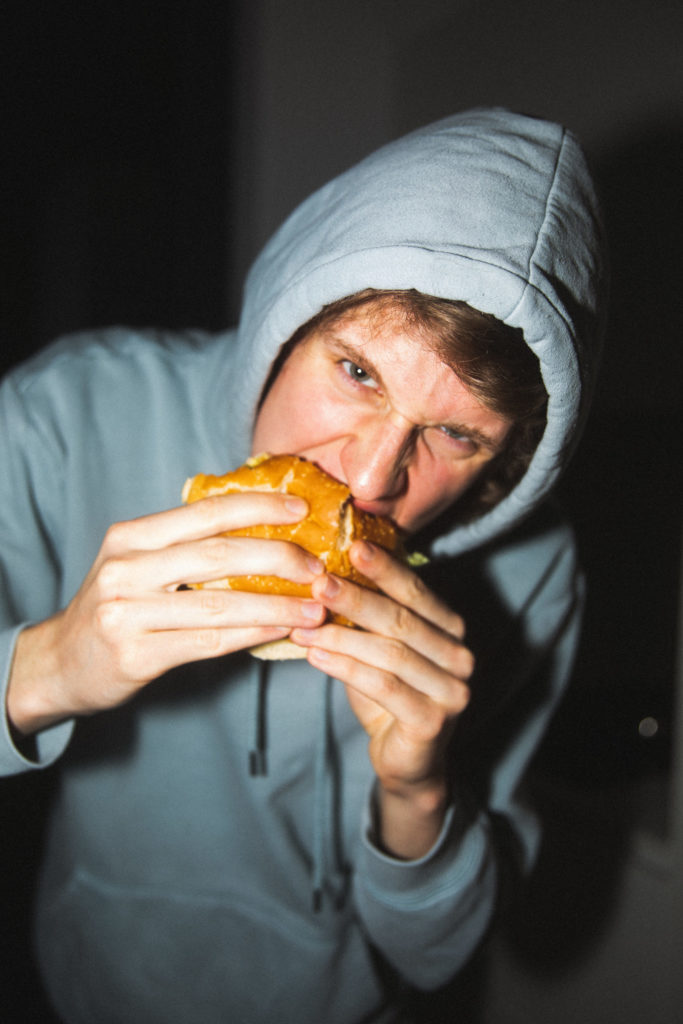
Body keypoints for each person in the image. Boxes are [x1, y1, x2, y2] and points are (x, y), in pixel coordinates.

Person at [0, 108, 606, 1023]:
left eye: (453, 435)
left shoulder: (532, 573)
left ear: (514, 459)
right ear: (292, 312)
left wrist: (419, 789)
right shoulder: (67, 410)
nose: (369, 480)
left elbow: (440, 955)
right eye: (357, 372)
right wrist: (49, 666)